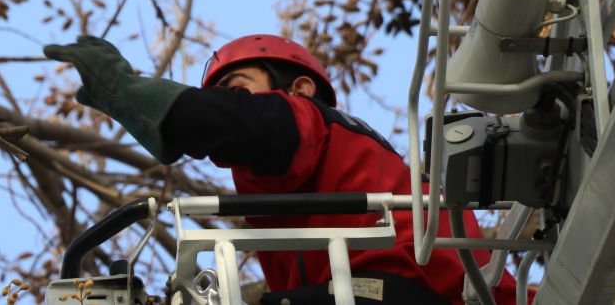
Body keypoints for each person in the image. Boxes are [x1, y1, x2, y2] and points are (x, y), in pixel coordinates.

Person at [44, 34, 526, 305]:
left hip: (394, 292)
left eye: (237, 90)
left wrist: (127, 92)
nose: (230, 105)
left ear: (300, 89)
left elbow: (238, 123)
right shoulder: (298, 183)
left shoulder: (305, 121)